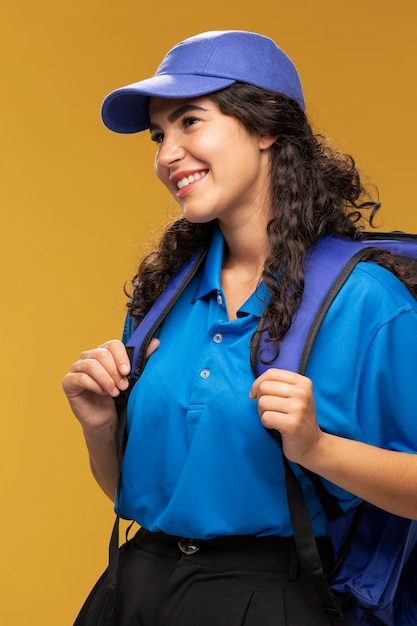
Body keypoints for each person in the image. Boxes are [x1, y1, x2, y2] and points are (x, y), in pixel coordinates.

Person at [62, 30, 417, 626]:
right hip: (133, 590)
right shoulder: (164, 294)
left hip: (269, 598)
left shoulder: (366, 301)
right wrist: (99, 427)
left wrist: (318, 449)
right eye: (159, 136)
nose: (166, 154)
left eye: (190, 122)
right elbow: (140, 494)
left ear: (266, 126)